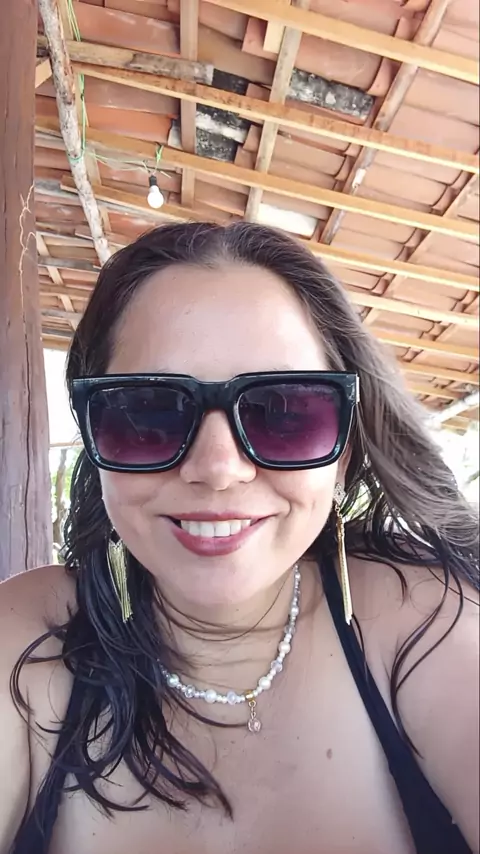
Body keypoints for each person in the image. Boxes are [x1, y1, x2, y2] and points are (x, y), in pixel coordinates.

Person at [0, 222, 478, 854]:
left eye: (285, 412)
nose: (219, 469)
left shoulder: (426, 619)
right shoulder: (27, 638)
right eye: (148, 412)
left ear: (343, 453)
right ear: (94, 438)